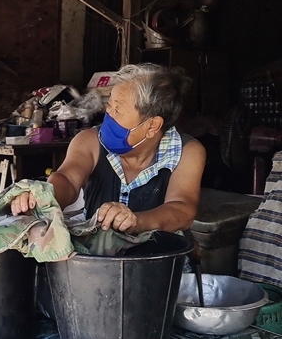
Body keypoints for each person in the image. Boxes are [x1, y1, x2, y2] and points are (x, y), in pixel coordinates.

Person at [11, 63, 206, 234]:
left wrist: (137, 221)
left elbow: (182, 209)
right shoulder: (89, 140)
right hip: (97, 262)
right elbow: (68, 179)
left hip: (158, 263)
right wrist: (42, 198)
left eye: (118, 110)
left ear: (152, 125)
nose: (109, 116)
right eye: (109, 106)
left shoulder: (187, 151)